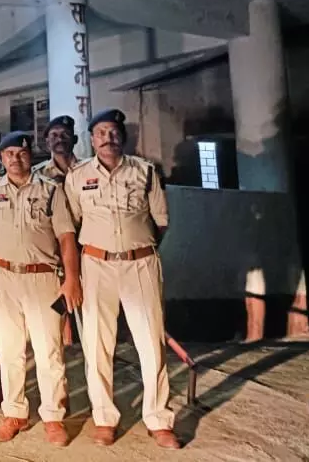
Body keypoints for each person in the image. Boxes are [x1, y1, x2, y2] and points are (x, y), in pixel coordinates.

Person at [65, 109, 180, 450]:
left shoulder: (145, 171)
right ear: (92, 139)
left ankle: (158, 420)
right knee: (97, 344)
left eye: (113, 131)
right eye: (101, 132)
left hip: (140, 264)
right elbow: (71, 224)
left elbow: (161, 221)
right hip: (95, 265)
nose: (108, 138)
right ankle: (104, 419)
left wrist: (134, 246)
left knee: (151, 343)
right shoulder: (78, 176)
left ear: (123, 136)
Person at [0, 131, 81, 447]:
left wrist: (71, 279)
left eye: (21, 154)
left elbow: (66, 238)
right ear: (2, 157)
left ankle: (53, 417)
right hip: (2, 278)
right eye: (9, 154)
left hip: (43, 278)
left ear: (30, 155)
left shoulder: (51, 190)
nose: (15, 159)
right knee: (10, 351)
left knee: (49, 351)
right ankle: (15, 413)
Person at [32, 115, 80, 182]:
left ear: (75, 139)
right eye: (54, 135)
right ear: (47, 143)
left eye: (65, 134)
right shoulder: (38, 175)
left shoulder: (88, 168)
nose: (60, 139)